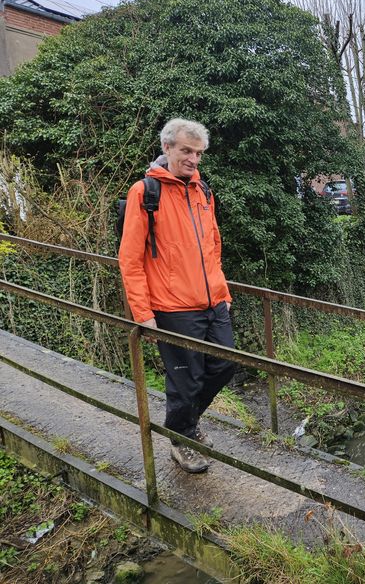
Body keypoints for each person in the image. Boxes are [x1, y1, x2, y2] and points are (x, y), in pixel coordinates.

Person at [119, 118, 234, 474]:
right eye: (186, 150)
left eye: (198, 153)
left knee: (225, 365)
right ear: (167, 147)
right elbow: (130, 258)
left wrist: (223, 292)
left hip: (213, 302)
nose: (193, 159)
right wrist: (143, 313)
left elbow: (213, 247)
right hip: (173, 306)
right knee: (187, 380)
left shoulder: (203, 192)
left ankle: (182, 424)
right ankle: (182, 441)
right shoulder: (146, 192)